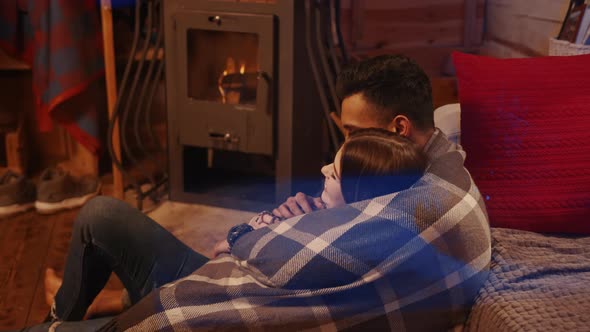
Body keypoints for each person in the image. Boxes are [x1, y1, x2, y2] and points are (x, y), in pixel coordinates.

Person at [13, 54, 490, 331]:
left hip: (218, 305)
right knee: (101, 213)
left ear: (399, 128)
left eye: (350, 132)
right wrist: (317, 213)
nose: (341, 147)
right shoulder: (422, 167)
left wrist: (277, 225)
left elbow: (259, 252)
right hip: (226, 279)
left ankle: (65, 320)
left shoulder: (420, 208)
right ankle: (67, 314)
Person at [44, 128, 428, 320]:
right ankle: (75, 306)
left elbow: (236, 244)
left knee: (98, 220)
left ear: (359, 194)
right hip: (212, 274)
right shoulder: (329, 216)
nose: (323, 170)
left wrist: (253, 234)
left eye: (334, 174)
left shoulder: (323, 243)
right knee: (103, 213)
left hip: (203, 300)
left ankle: (61, 317)